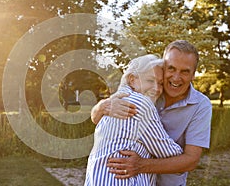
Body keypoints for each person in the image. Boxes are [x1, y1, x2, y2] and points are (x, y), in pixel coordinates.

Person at [91, 40, 212, 186]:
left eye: (185, 71)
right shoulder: (147, 91)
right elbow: (97, 119)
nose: (176, 77)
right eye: (171, 68)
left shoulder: (201, 105)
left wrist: (141, 165)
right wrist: (102, 107)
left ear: (193, 74)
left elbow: (191, 160)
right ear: (163, 67)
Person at [85, 54, 183, 186]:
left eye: (160, 83)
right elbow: (168, 153)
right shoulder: (141, 103)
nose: (157, 89)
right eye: (150, 80)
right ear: (132, 79)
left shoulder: (116, 99)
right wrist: (186, 154)